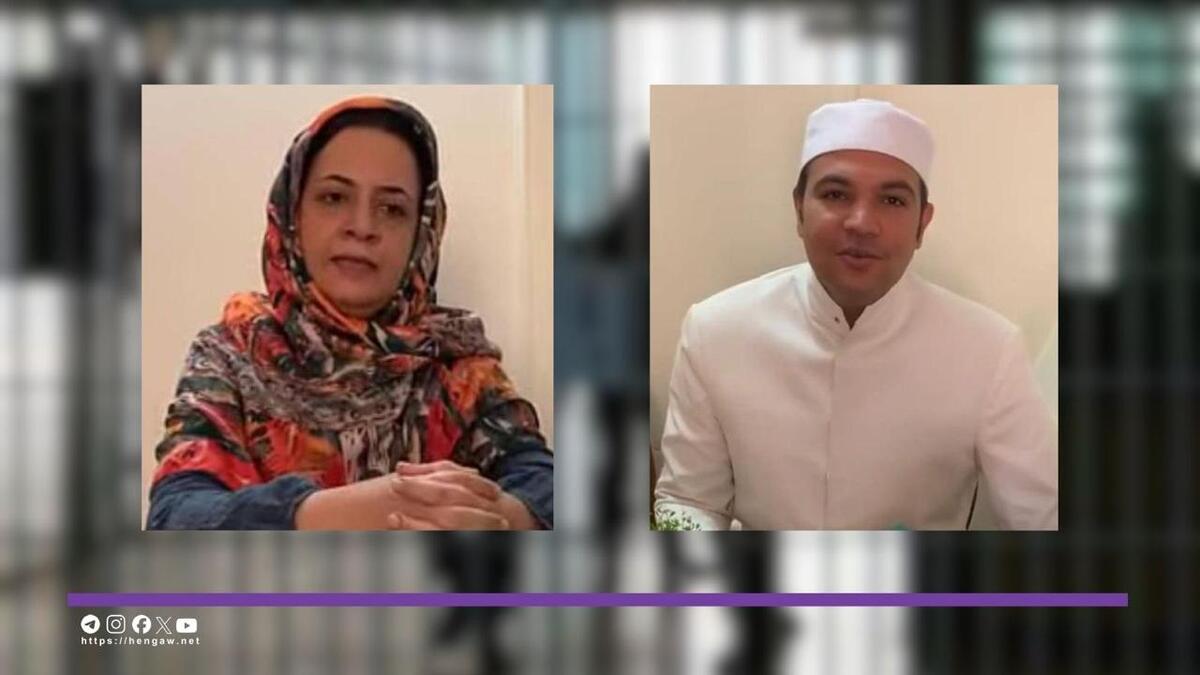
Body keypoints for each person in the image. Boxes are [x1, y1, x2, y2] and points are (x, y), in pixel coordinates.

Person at [146, 96, 552, 530]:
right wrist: (344, 512)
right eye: (334, 197)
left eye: (392, 208)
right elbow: (175, 516)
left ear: (421, 233)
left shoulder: (456, 364)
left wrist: (493, 516)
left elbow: (546, 488)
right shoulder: (232, 352)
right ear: (293, 215)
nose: (362, 227)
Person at [653, 98, 1057, 530]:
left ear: (922, 224)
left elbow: (1041, 516)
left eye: (892, 200)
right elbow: (687, 499)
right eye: (836, 194)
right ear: (799, 210)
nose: (862, 222)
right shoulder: (715, 330)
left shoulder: (989, 350)